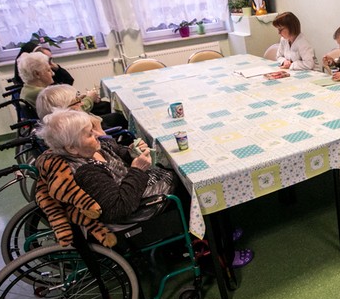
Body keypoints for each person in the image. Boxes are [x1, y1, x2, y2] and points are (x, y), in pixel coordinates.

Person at [37, 109, 254, 266]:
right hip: (141, 207)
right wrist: (138, 170)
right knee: (195, 186)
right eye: (88, 133)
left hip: (143, 184)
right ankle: (220, 251)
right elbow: (119, 208)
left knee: (183, 173)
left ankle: (217, 233)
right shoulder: (88, 172)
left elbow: (118, 154)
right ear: (71, 148)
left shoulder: (91, 149)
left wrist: (131, 151)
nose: (96, 135)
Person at [36, 84, 128, 133]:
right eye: (77, 101)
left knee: (117, 117)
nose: (82, 103)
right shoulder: (81, 131)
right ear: (66, 111)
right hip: (105, 134)